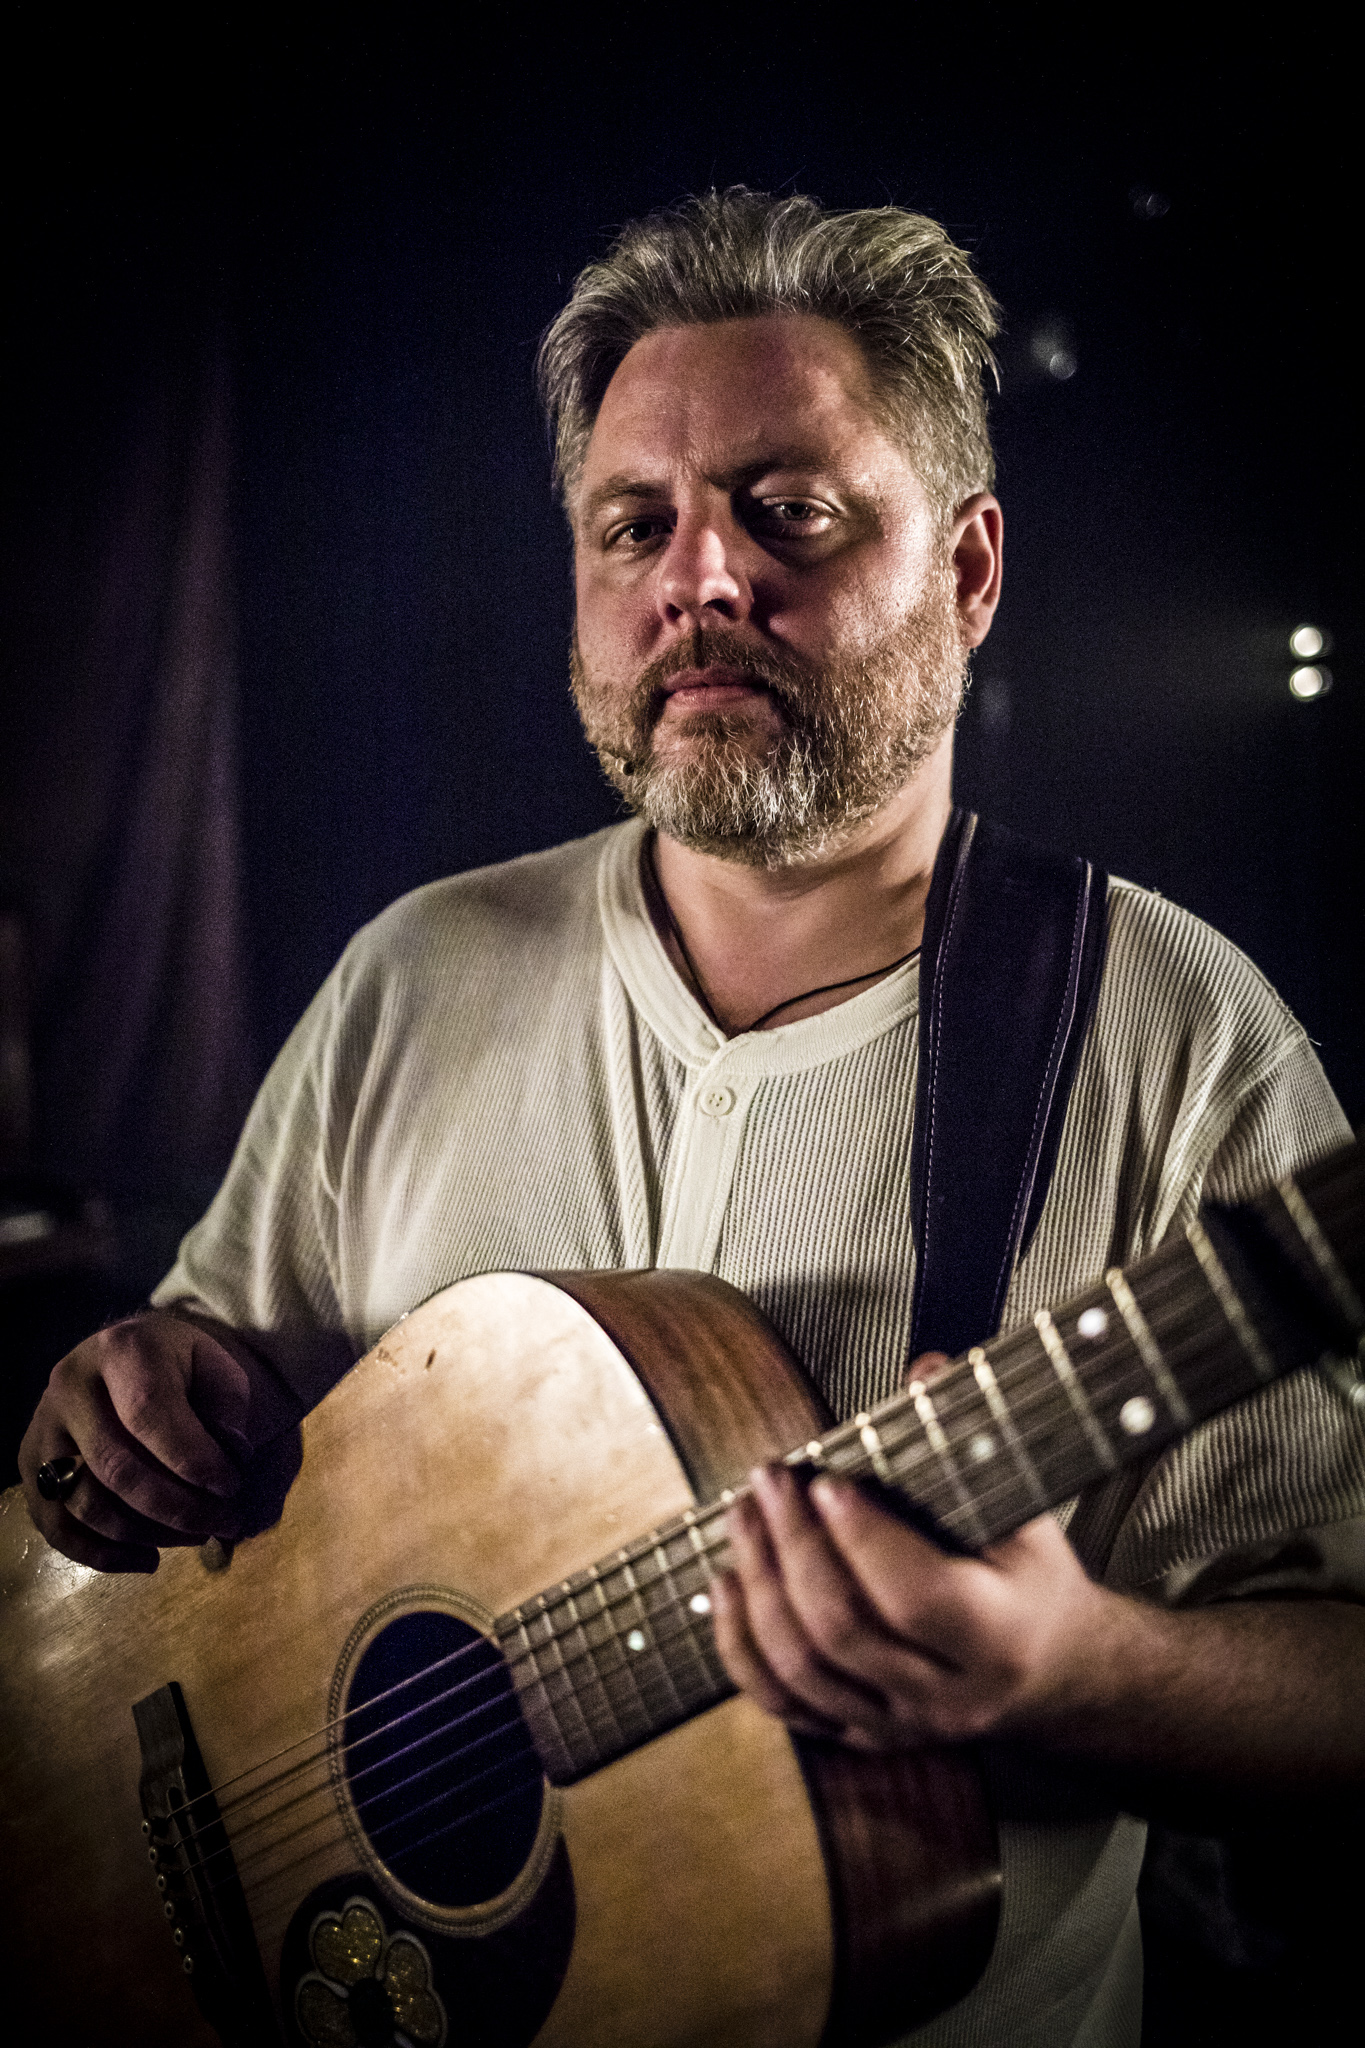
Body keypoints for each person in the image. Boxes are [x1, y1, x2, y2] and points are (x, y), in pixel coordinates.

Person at [18, 190, 1365, 2046]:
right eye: (633, 524)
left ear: (969, 570)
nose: (700, 581)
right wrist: (128, 1412)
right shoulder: (416, 973)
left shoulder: (1180, 1041)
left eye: (786, 510)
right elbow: (199, 1408)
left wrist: (1072, 1669)